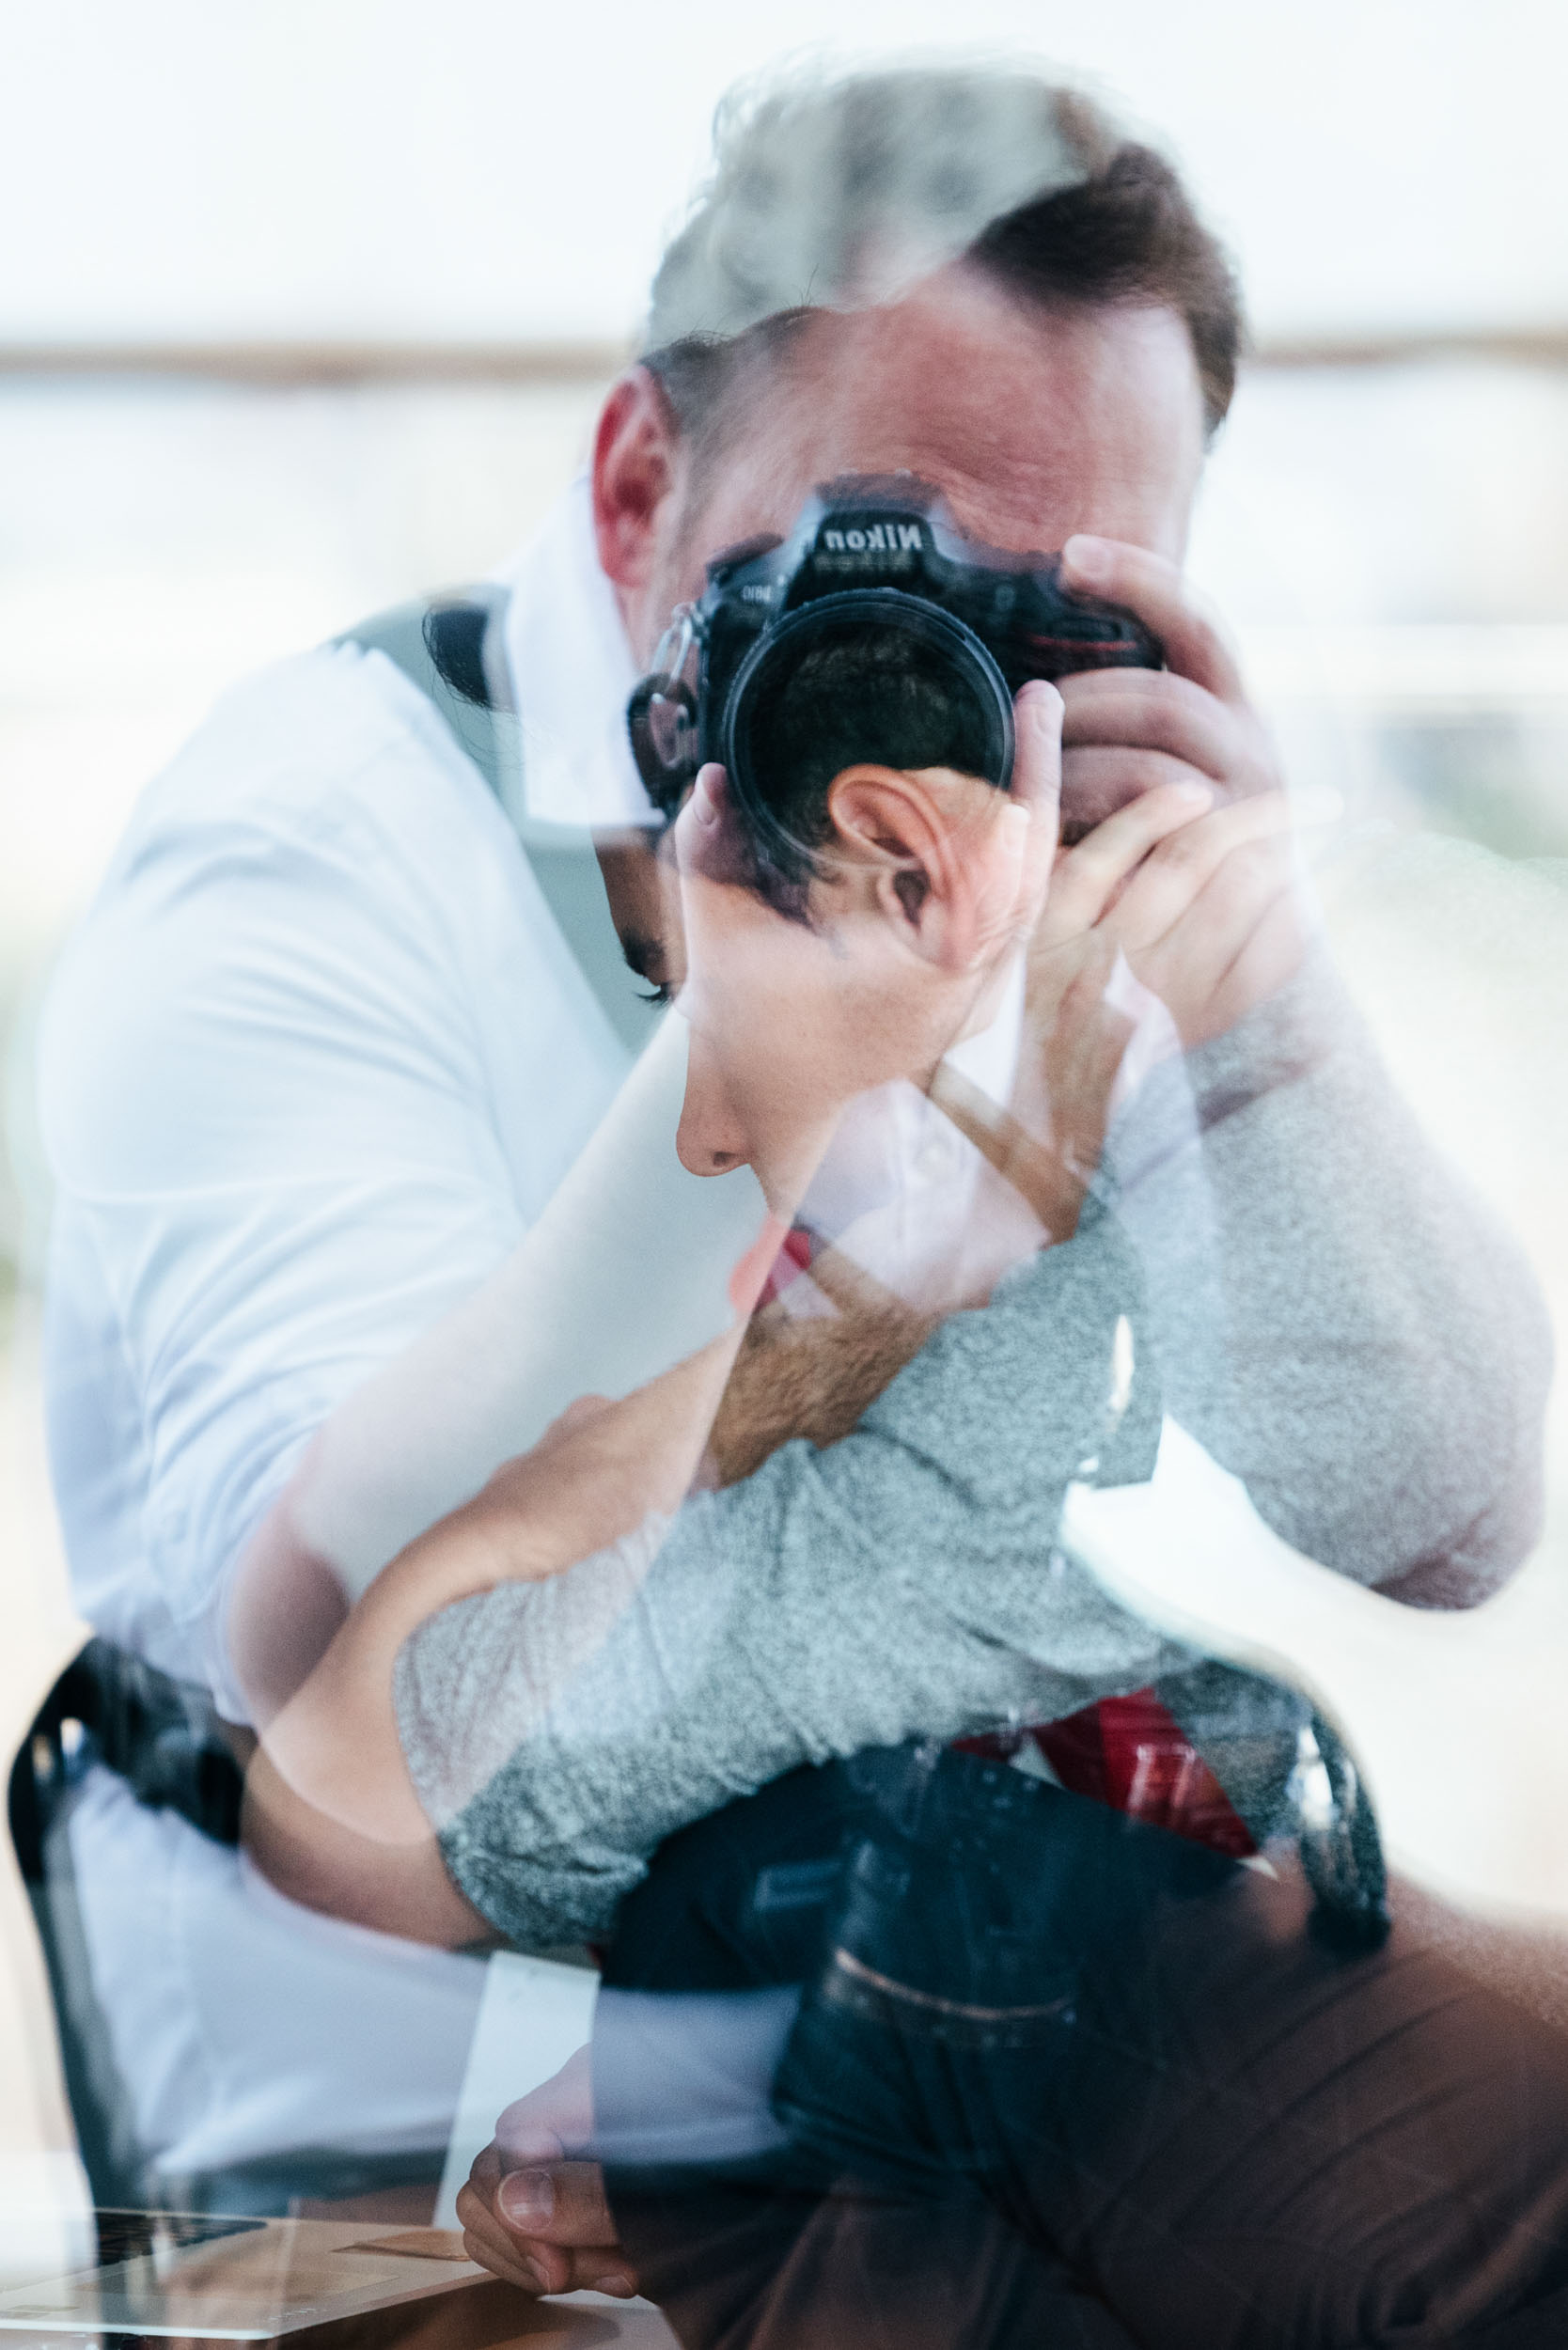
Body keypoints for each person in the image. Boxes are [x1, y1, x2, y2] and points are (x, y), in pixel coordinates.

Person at [33, 58, 1548, 2215]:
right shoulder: (324, 837)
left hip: (964, 2002)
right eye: (865, 575)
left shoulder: (1064, 821)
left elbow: (1446, 1517)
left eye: (1048, 624)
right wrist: (759, 1103)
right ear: (638, 488)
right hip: (451, 2126)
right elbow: (360, 1708)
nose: (931, 707)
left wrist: (1261, 1013)